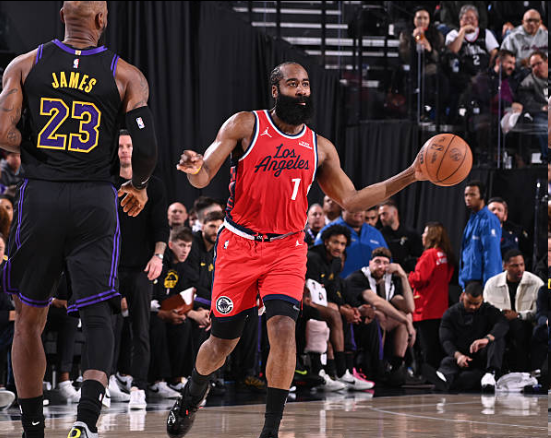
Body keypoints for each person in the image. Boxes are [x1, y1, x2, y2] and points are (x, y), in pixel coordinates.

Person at [166, 61, 427, 438]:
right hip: (239, 245)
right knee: (222, 342)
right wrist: (194, 168)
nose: (302, 90)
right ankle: (193, 393)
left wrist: (411, 174)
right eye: (293, 84)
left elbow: (353, 200)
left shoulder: (320, 148)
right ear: (276, 91)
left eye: (305, 84)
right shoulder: (245, 125)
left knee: (285, 330)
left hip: (287, 249)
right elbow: (204, 174)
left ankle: (271, 430)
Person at [0, 2, 157, 437]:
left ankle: (33, 428)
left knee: (28, 318)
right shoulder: (126, 74)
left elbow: (3, 133)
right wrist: (139, 186)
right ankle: (85, 422)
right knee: (99, 310)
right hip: (94, 199)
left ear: (62, 16)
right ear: (101, 20)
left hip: (40, 196)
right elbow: (146, 150)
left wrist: (43, 145)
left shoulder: (25, 64)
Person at [114, 129, 169, 410]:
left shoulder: (154, 185)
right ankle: (104, 382)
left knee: (141, 329)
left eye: (129, 145)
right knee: (105, 326)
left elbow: (161, 226)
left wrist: (158, 256)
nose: (125, 150)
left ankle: (138, 386)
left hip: (141, 267)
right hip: (110, 267)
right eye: (121, 146)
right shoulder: (106, 182)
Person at [346, 247, 416, 387]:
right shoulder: (358, 277)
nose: (381, 266)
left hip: (377, 326)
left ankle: (396, 366)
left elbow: (410, 307)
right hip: (356, 323)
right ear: (370, 262)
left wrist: (403, 276)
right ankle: (377, 366)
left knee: (403, 318)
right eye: (377, 262)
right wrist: (407, 321)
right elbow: (377, 302)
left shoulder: (389, 282)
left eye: (385, 263)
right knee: (380, 316)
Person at [424, 282, 508, 392]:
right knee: (447, 362)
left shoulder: (489, 310)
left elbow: (503, 324)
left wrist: (487, 339)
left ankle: (490, 375)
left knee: (497, 340)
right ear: (463, 296)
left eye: (476, 304)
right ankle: (444, 378)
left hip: (483, 359)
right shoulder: (451, 313)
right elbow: (446, 340)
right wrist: (458, 356)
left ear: (482, 299)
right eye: (469, 302)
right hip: (461, 357)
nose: (472, 307)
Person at [483, 249, 544, 371]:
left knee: (517, 327)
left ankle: (523, 371)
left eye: (522, 264)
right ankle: (493, 372)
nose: (520, 269)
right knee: (498, 333)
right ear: (505, 266)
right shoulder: (492, 284)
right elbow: (487, 310)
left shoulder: (536, 283)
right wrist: (502, 315)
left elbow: (539, 311)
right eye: (515, 266)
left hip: (526, 325)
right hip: (500, 325)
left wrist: (519, 315)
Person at [408, 222, 455, 369]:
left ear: (432, 236)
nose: (422, 235)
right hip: (440, 307)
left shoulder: (429, 255)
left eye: (425, 232)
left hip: (426, 308)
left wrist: (407, 276)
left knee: (427, 348)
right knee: (436, 346)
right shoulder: (445, 255)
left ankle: (428, 375)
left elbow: (419, 279)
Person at [315, 209, 388, 278]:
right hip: (338, 284)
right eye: (354, 208)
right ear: (343, 208)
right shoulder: (328, 231)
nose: (358, 211)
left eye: (361, 208)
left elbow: (387, 261)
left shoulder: (376, 233)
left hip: (370, 284)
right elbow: (317, 263)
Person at [459, 181, 502, 288]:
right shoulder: (473, 218)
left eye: (472, 194)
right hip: (469, 281)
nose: (468, 198)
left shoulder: (489, 220)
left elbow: (491, 255)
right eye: (466, 195)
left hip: (480, 282)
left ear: (482, 196)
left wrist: (488, 287)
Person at [378, 199, 423, 272]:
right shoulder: (379, 235)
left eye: (384, 214)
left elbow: (418, 258)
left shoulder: (411, 234)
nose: (381, 218)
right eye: (380, 215)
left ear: (395, 213)